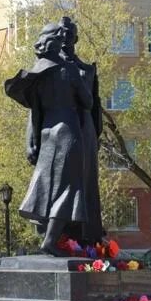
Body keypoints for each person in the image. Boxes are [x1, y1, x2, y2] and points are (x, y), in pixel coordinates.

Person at [5, 23, 93, 256]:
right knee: (68, 189)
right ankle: (50, 241)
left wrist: (31, 141)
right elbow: (88, 101)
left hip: (46, 133)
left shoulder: (38, 72)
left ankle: (48, 236)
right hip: (68, 132)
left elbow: (35, 112)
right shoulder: (69, 70)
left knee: (45, 184)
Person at [58, 16, 104, 245]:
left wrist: (96, 135)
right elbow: (38, 106)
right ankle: (59, 237)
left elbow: (96, 104)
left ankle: (88, 237)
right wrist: (32, 139)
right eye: (62, 34)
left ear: (76, 38)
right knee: (61, 182)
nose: (65, 38)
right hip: (60, 130)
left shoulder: (88, 69)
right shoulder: (51, 69)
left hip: (85, 130)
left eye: (69, 34)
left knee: (87, 182)